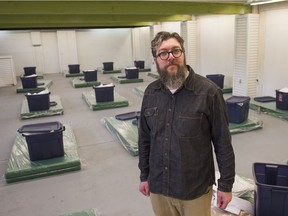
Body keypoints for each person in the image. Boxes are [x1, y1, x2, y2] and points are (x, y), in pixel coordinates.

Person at [138, 31, 235, 216]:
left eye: (176, 51)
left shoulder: (209, 92)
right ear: (155, 60)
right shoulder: (151, 93)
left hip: (194, 190)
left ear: (183, 53)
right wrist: (144, 175)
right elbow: (144, 139)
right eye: (163, 53)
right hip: (159, 187)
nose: (171, 57)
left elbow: (222, 142)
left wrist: (226, 185)